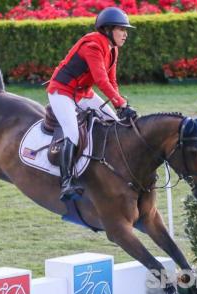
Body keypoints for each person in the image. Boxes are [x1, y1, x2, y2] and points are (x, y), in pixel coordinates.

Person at [46, 7, 138, 202]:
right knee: (72, 132)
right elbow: (101, 80)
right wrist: (120, 103)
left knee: (113, 123)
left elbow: (112, 81)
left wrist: (122, 106)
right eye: (121, 29)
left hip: (82, 93)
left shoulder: (113, 49)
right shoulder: (93, 46)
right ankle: (66, 182)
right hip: (62, 91)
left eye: (125, 30)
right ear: (108, 29)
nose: (125, 34)